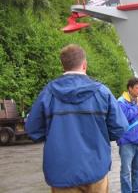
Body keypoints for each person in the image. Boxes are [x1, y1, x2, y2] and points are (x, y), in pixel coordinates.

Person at [25, 44, 129, 192]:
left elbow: (32, 130)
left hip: (61, 173)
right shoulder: (102, 92)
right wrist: (100, 137)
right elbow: (120, 127)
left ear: (63, 65)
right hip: (96, 169)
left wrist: (54, 136)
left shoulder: (48, 93)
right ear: (84, 64)